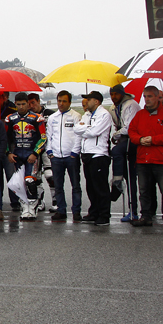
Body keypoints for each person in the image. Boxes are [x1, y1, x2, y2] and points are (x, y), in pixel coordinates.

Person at [129, 86, 163, 228]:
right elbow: (132, 131)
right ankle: (146, 215)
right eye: (145, 96)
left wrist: (153, 140)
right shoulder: (140, 115)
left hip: (161, 159)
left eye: (150, 96)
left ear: (158, 97)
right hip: (143, 159)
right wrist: (140, 139)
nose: (147, 99)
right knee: (144, 190)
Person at [4, 92, 47, 217]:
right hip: (17, 155)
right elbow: (5, 138)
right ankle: (24, 207)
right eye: (18, 104)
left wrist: (35, 153)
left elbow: (43, 138)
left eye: (23, 104)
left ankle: (33, 207)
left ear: (28, 104)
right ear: (15, 104)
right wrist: (8, 153)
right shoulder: (10, 119)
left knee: (30, 180)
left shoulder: (37, 118)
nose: (21, 107)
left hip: (31, 155)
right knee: (19, 183)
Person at [74, 90, 113, 226]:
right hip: (86, 154)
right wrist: (87, 128)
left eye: (88, 99)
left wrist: (86, 128)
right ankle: (94, 212)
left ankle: (104, 215)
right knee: (90, 186)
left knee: (100, 187)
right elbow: (76, 128)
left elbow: (95, 132)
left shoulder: (104, 115)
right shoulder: (87, 114)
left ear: (96, 101)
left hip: (99, 154)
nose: (86, 102)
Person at [45, 90, 82, 222]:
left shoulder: (76, 116)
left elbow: (79, 136)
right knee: (58, 186)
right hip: (56, 157)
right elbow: (48, 136)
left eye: (64, 101)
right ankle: (61, 210)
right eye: (59, 101)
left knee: (75, 185)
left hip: (71, 157)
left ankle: (76, 211)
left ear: (69, 102)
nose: (61, 104)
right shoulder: (52, 117)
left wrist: (74, 153)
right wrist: (49, 151)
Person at [108, 83, 142, 222]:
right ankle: (119, 178)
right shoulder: (114, 108)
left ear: (122, 93)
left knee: (116, 152)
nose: (113, 97)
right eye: (111, 94)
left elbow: (129, 127)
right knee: (129, 177)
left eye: (115, 94)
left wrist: (115, 135)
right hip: (123, 140)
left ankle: (117, 181)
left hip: (131, 140)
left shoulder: (131, 105)